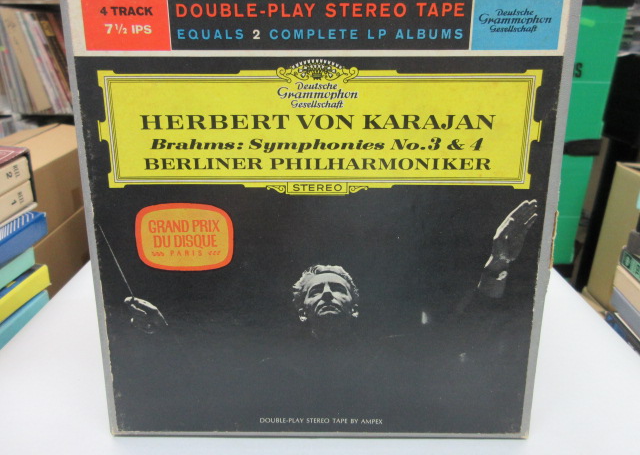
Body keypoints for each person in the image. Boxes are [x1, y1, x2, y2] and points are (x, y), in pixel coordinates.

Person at [125, 199, 538, 336]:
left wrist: (497, 265)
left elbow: (465, 333)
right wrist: (164, 332)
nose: (326, 293)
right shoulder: (273, 362)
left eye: (337, 288)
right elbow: (208, 376)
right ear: (301, 310)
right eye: (315, 290)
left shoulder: (390, 351)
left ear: (355, 307)